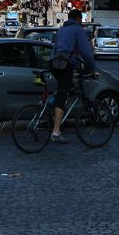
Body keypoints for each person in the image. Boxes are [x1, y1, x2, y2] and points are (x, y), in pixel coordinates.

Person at [49, 8, 96, 144]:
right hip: (64, 64)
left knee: (65, 87)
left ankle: (50, 106)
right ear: (78, 19)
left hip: (53, 63)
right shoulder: (78, 30)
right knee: (62, 96)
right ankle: (56, 132)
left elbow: (57, 48)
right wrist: (92, 68)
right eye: (81, 20)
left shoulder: (61, 29)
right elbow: (86, 52)